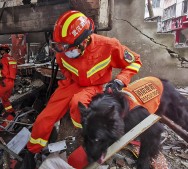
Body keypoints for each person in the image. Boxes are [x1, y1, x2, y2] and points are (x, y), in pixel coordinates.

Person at [27, 10, 142, 153]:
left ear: (84, 40)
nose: (65, 51)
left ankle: (86, 133)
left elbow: (135, 61)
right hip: (71, 83)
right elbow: (66, 69)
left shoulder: (109, 46)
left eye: (68, 47)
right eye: (61, 46)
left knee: (77, 104)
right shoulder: (62, 53)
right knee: (44, 118)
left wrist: (119, 81)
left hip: (96, 85)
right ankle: (33, 150)